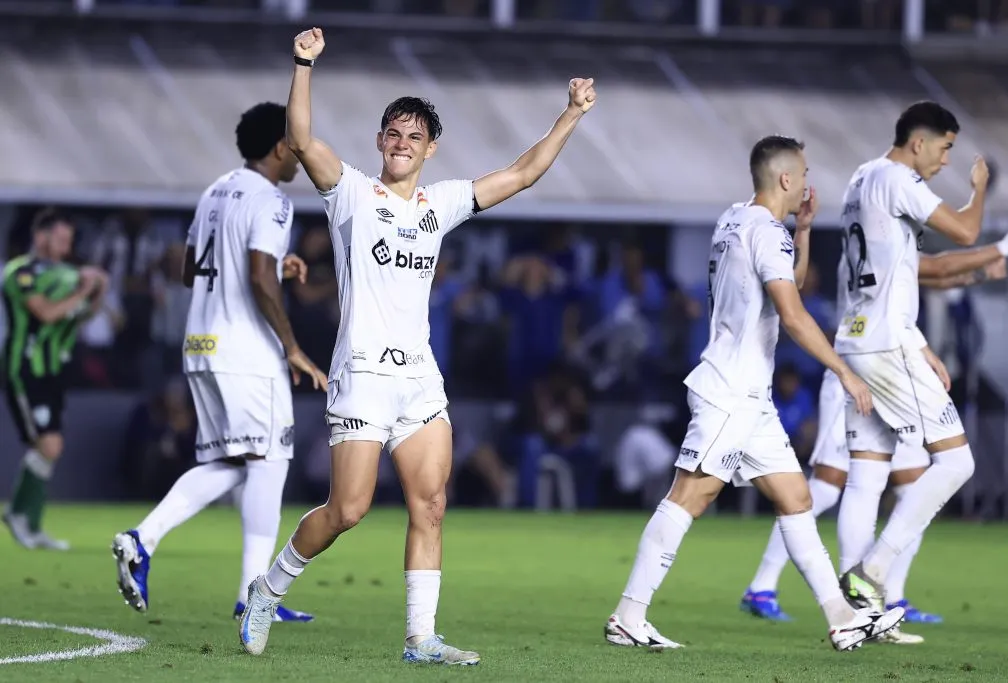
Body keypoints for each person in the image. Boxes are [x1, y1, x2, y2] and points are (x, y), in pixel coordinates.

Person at [237, 27, 596, 664]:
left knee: (430, 504)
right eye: (393, 135)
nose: (402, 144)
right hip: (363, 373)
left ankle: (420, 639)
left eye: (414, 137)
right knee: (348, 509)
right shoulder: (349, 191)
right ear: (380, 142)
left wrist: (570, 112)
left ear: (430, 149)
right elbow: (300, 139)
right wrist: (302, 64)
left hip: (420, 377)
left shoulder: (441, 203)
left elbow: (524, 172)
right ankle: (268, 588)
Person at [604, 136, 905, 652]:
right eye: (805, 173)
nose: (808, 182)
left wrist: (804, 231)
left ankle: (840, 616)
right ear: (786, 179)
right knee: (689, 496)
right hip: (732, 390)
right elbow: (792, 313)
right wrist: (845, 371)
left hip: (749, 396)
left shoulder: (734, 219)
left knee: (796, 498)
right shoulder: (766, 232)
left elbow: (786, 285)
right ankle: (629, 614)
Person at [111, 102, 327, 623]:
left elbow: (188, 269)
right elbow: (257, 277)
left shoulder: (215, 190)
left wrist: (274, 264)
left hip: (201, 345)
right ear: (280, 147)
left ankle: (144, 540)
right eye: (295, 140)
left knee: (233, 463)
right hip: (246, 351)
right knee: (269, 461)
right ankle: (255, 596)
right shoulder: (272, 200)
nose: (300, 149)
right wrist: (292, 346)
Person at [741, 243, 1008, 634]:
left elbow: (925, 276)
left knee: (910, 486)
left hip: (885, 370)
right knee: (828, 485)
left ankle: (887, 598)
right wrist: (1000, 250)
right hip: (860, 370)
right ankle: (765, 586)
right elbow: (934, 269)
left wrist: (977, 276)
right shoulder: (884, 231)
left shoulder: (875, 241)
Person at [830, 102, 1008, 616]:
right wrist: (979, 190)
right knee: (956, 460)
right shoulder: (897, 178)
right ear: (920, 142)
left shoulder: (861, 179)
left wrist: (921, 343)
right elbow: (964, 232)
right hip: (886, 343)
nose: (947, 160)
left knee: (867, 474)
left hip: (859, 335)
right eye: (946, 147)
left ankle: (855, 613)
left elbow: (912, 270)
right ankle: (874, 572)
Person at [3, 209, 109, 550]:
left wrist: (98, 291)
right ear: (41, 236)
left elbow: (81, 316)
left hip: (52, 371)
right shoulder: (20, 272)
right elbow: (45, 312)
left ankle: (28, 522)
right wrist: (83, 288)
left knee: (50, 447)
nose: (66, 245)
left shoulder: (67, 274)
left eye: (69, 240)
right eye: (61, 238)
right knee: (49, 445)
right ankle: (21, 517)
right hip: (24, 369)